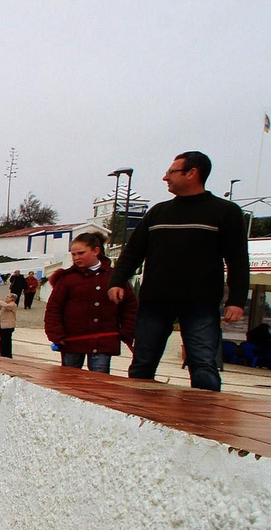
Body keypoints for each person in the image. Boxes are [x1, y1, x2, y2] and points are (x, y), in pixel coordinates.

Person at [108, 150, 248, 391]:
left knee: (203, 364)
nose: (165, 177)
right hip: (155, 302)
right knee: (142, 363)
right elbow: (133, 252)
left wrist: (236, 300)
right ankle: (136, 414)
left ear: (192, 173)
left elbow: (237, 259)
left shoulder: (225, 212)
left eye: (171, 172)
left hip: (201, 303)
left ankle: (206, 419)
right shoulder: (158, 212)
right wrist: (117, 280)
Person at [45, 232, 136, 374]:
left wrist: (126, 331)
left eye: (81, 253)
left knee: (99, 383)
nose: (76, 258)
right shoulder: (67, 279)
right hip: (72, 341)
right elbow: (53, 308)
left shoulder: (114, 277)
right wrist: (56, 334)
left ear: (96, 251)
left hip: (104, 341)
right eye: (73, 254)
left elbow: (130, 306)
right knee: (69, 382)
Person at [0, 289, 18, 358]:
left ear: (12, 299)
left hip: (8, 326)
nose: (6, 298)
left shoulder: (13, 305)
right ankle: (3, 354)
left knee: (6, 341)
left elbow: (5, 306)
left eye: (8, 297)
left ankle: (7, 355)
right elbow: (0, 306)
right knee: (2, 341)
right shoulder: (6, 305)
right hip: (3, 325)